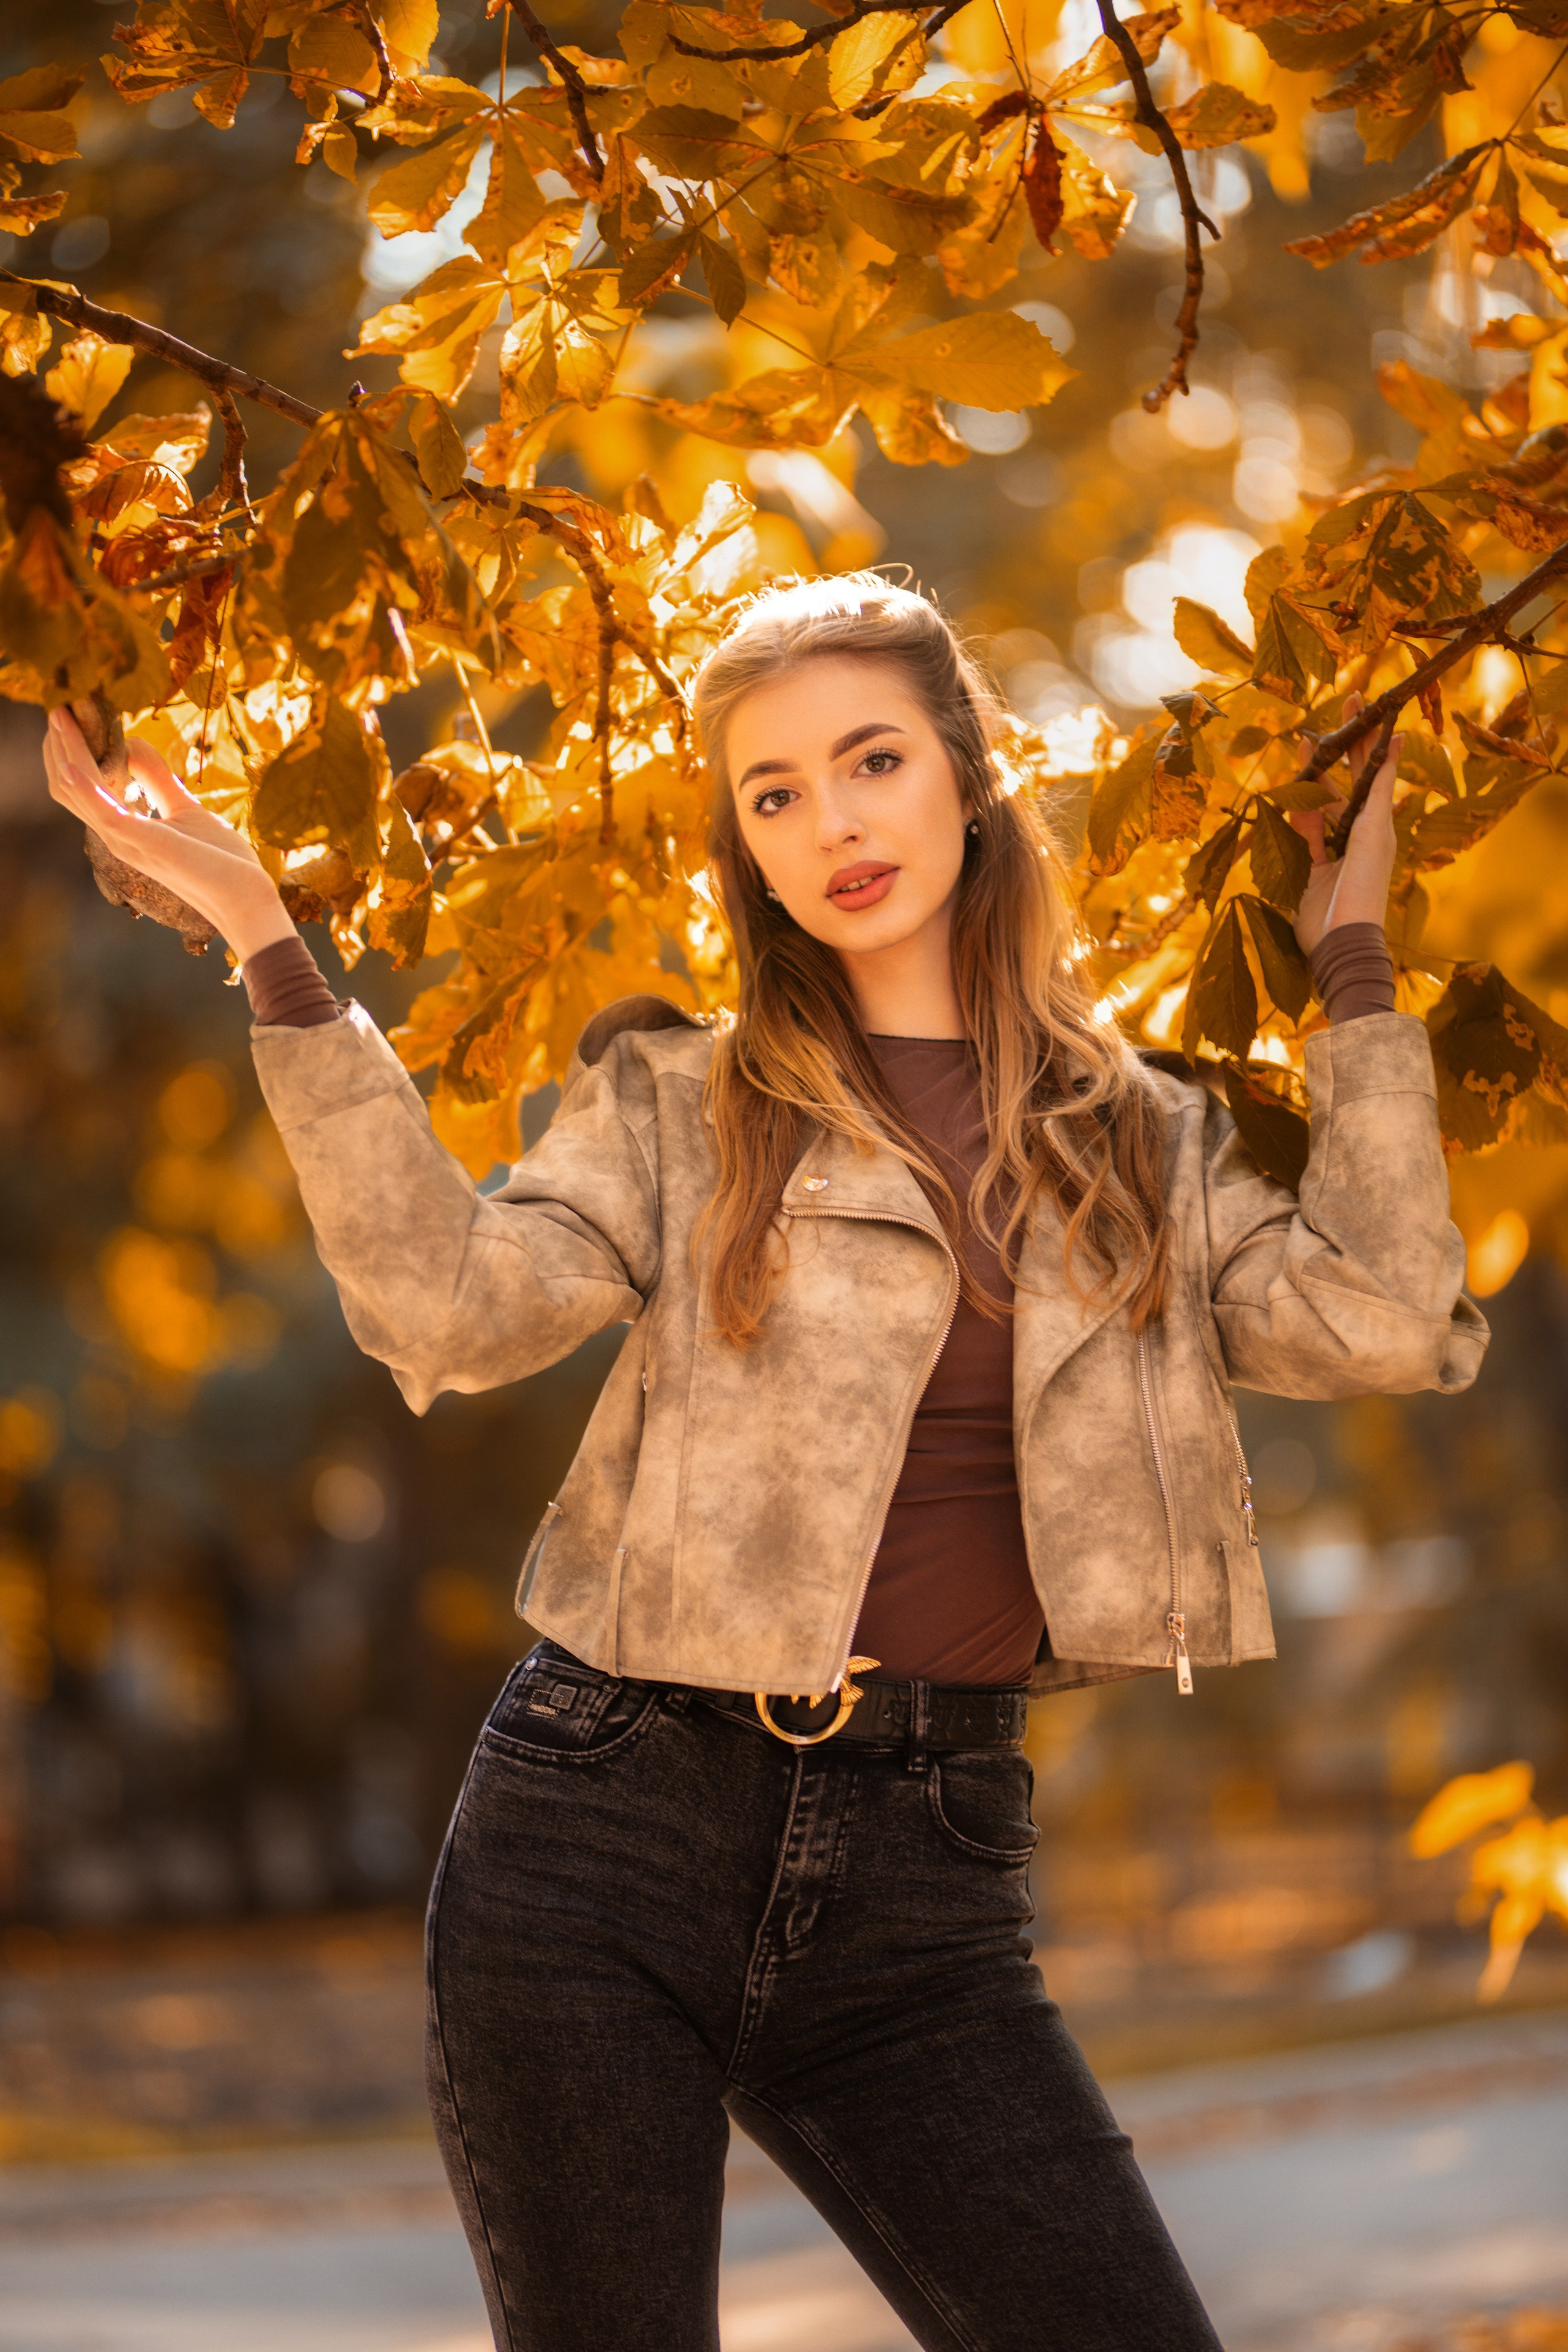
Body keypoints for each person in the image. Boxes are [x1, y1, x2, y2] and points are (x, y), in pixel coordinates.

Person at [44, 578, 1487, 2352]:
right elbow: (449, 1312)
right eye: (775, 795)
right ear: (747, 849)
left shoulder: (1143, 1140)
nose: (833, 824)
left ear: (968, 774)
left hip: (928, 1870)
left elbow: (1386, 1322)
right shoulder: (683, 1103)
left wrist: (1355, 976)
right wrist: (266, 934)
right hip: (600, 1834)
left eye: (871, 760)